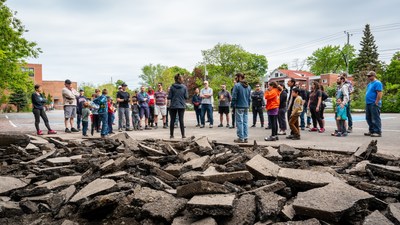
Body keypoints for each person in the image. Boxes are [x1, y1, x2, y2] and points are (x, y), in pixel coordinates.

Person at [231, 73, 251, 143]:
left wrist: (232, 106)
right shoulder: (248, 86)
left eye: (236, 77)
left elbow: (234, 97)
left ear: (239, 77)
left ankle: (241, 138)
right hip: (246, 106)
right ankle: (245, 137)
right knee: (245, 122)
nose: (235, 79)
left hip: (239, 105)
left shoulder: (237, 85)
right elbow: (249, 98)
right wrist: (248, 105)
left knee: (239, 122)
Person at [168, 73, 189, 139]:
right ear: (179, 79)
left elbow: (169, 97)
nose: (183, 79)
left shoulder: (172, 87)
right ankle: (183, 135)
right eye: (182, 78)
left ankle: (171, 135)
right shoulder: (184, 87)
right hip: (181, 105)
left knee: (172, 120)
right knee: (181, 120)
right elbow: (186, 96)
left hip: (173, 105)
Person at [364, 71, 383, 137]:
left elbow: (379, 93)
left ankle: (377, 131)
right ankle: (371, 130)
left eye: (370, 76)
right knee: (368, 118)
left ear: (374, 76)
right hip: (368, 103)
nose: (368, 77)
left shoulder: (377, 83)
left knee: (375, 118)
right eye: (368, 76)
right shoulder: (370, 84)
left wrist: (377, 101)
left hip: (374, 103)